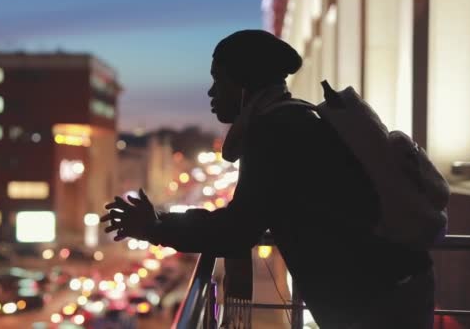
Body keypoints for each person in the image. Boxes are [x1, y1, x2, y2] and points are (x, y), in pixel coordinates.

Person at [102, 29, 434, 328]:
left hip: (377, 301)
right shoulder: (295, 116)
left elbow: (237, 230)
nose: (210, 91)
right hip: (391, 287)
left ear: (243, 86)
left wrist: (155, 228)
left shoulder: (274, 131)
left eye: (219, 79)